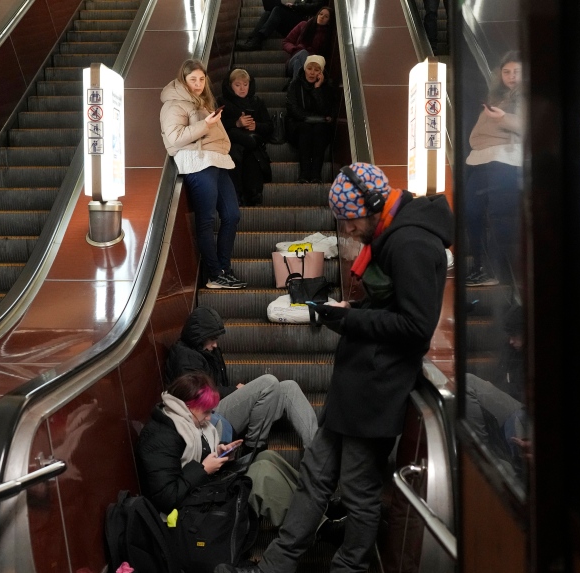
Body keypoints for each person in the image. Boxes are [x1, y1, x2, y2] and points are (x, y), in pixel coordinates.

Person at [216, 163, 454, 573]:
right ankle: (275, 566)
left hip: (377, 391)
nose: (345, 231)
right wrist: (351, 310)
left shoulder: (411, 243)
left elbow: (417, 327)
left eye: (347, 221)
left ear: (371, 207)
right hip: (357, 385)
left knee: (360, 493)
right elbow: (390, 309)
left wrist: (351, 319)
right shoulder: (393, 236)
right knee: (315, 476)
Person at [136, 372, 302, 529]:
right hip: (190, 511)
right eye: (206, 411)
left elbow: (194, 457)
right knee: (261, 471)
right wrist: (204, 469)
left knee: (267, 456)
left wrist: (220, 452)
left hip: (204, 488)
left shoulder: (188, 423)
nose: (209, 418)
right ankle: (310, 526)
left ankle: (312, 505)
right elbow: (166, 497)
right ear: (188, 406)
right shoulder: (161, 437)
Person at [165, 307, 319, 456]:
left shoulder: (206, 351)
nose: (215, 344)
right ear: (198, 338)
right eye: (212, 339)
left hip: (219, 406)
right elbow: (198, 396)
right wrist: (234, 391)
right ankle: (252, 448)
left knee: (289, 388)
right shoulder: (185, 358)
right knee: (268, 382)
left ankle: (316, 453)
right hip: (207, 417)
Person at [160, 59, 247, 289]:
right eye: (192, 79)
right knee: (206, 219)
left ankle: (224, 269)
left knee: (232, 215)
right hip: (197, 162)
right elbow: (175, 138)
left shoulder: (203, 102)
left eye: (201, 79)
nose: (198, 84)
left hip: (217, 161)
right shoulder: (173, 105)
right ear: (183, 80)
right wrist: (206, 126)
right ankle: (214, 274)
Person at [463, 51, 524, 287]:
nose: (510, 76)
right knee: (472, 213)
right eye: (506, 72)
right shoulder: (499, 96)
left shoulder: (526, 96)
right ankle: (481, 267)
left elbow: (531, 126)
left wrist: (503, 118)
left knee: (500, 220)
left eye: (516, 72)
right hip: (482, 159)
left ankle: (504, 274)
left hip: (505, 160)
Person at [219, 69, 274, 207]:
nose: (242, 88)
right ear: (230, 85)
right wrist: (236, 123)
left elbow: (269, 127)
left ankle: (252, 195)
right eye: (238, 85)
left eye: (245, 84)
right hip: (232, 144)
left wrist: (256, 126)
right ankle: (235, 195)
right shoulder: (222, 102)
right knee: (235, 154)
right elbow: (216, 127)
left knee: (251, 154)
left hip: (253, 144)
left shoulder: (257, 102)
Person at [286, 55, 337, 183]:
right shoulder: (295, 84)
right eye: (309, 68)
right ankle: (304, 174)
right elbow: (292, 108)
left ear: (321, 72)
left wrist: (317, 89)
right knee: (306, 129)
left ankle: (316, 175)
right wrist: (309, 118)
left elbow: (326, 110)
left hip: (320, 127)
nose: (312, 73)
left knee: (320, 130)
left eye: (316, 70)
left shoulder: (327, 86)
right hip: (300, 124)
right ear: (304, 69)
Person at [237, 0, 326, 51]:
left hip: (304, 25)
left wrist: (296, 6)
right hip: (296, 16)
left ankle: (258, 38)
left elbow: (315, 7)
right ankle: (254, 40)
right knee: (268, 13)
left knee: (278, 10)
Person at [282, 7, 333, 77]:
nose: (322, 17)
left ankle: (297, 85)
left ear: (329, 21)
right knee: (303, 53)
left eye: (326, 16)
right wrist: (295, 49)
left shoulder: (327, 35)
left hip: (313, 65)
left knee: (298, 64)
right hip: (294, 59)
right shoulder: (304, 25)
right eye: (320, 14)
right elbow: (286, 42)